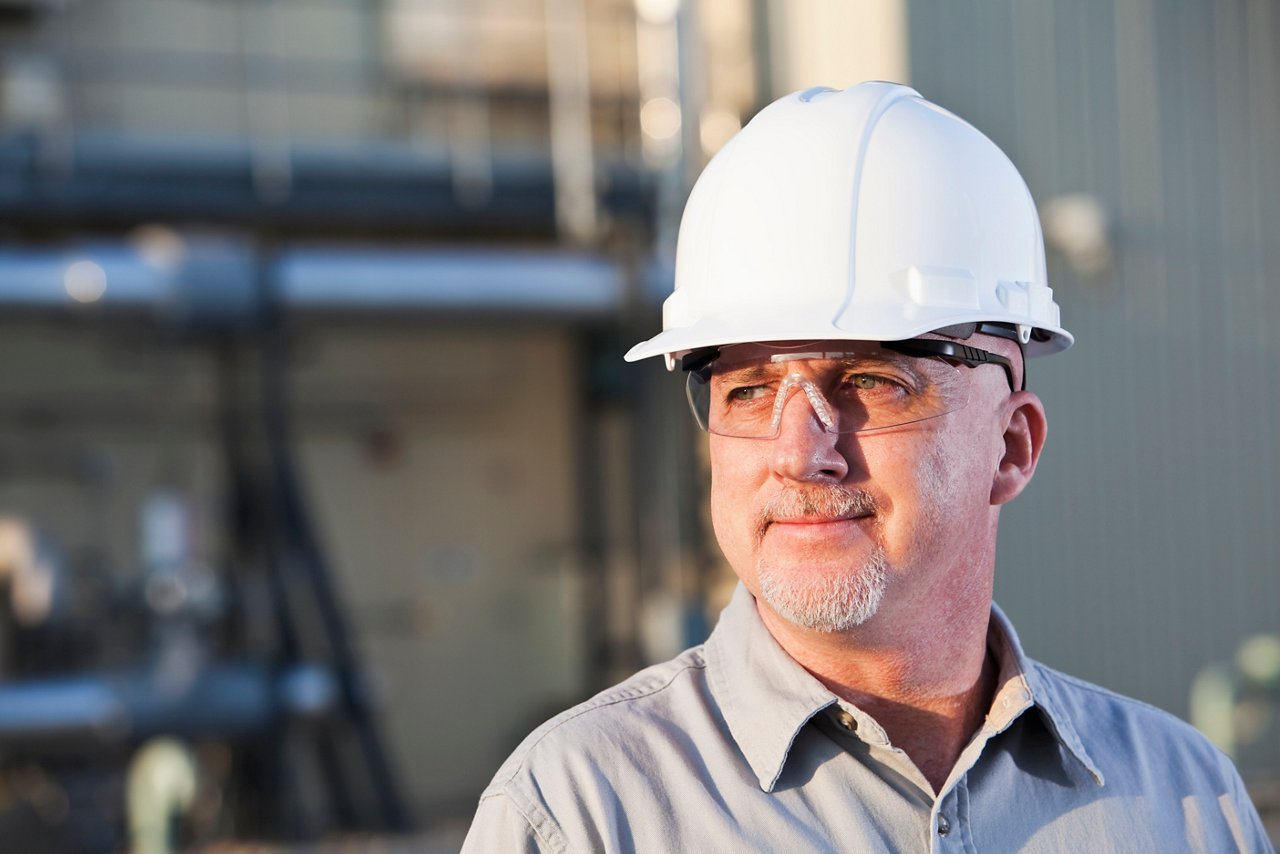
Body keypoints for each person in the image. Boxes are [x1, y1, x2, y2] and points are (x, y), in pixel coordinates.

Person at [462, 82, 1272, 852]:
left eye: (872, 383)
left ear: (1012, 446)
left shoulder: (1184, 802)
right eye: (747, 392)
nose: (799, 452)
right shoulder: (580, 814)